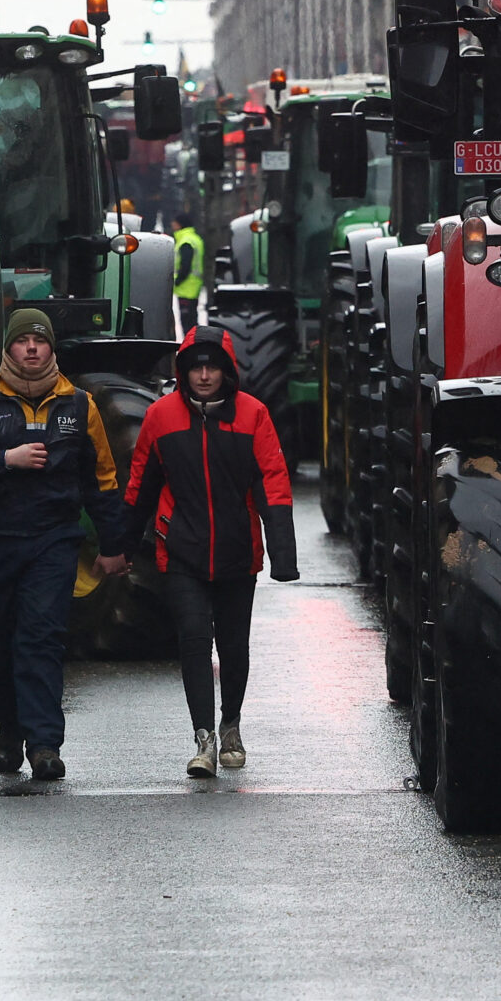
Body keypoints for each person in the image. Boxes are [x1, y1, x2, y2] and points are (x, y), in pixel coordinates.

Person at [0, 306, 129, 780]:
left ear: (51, 349)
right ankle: (10, 730)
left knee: (41, 639)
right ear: (8, 349)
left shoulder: (79, 405)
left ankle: (45, 744)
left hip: (53, 541)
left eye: (39, 341)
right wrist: (6, 458)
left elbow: (102, 481)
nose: (31, 349)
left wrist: (112, 545)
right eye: (22, 342)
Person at [119, 325, 298, 777]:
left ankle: (231, 724)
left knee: (234, 646)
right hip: (182, 551)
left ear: (226, 371)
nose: (203, 375)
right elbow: (140, 486)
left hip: (239, 553)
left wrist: (284, 555)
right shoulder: (161, 417)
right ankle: (204, 738)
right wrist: (119, 546)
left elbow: (273, 484)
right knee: (194, 642)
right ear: (183, 370)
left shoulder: (253, 415)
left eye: (211, 366)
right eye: (195, 366)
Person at [170, 215, 204, 337]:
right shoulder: (195, 239)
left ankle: (191, 346)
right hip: (194, 285)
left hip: (187, 286)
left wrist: (178, 280)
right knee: (192, 320)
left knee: (187, 323)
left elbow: (185, 264)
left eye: (174, 222)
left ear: (179, 224)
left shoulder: (186, 241)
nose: (172, 225)